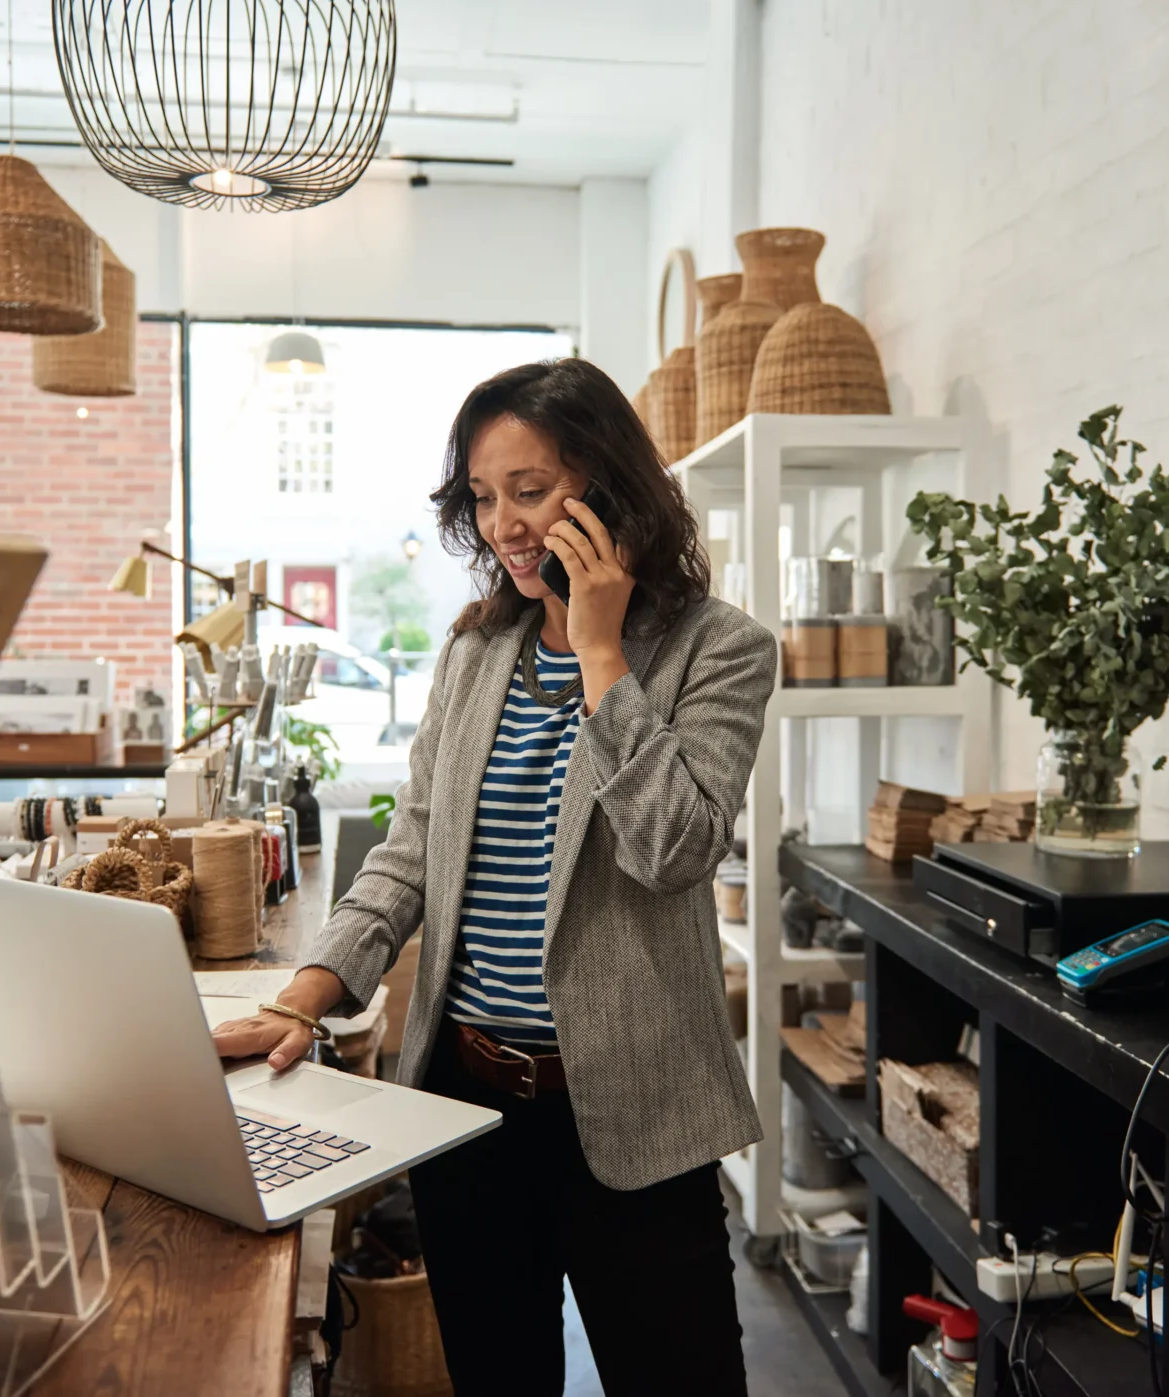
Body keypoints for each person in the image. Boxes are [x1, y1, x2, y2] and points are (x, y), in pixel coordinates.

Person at [212, 357, 777, 1394]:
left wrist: (601, 656)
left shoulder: (718, 648)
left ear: (609, 488)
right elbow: (409, 852)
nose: (504, 523)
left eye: (530, 489)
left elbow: (676, 848)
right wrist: (309, 991)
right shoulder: (476, 655)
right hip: (466, 1112)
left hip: (638, 1115)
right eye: (482, 495)